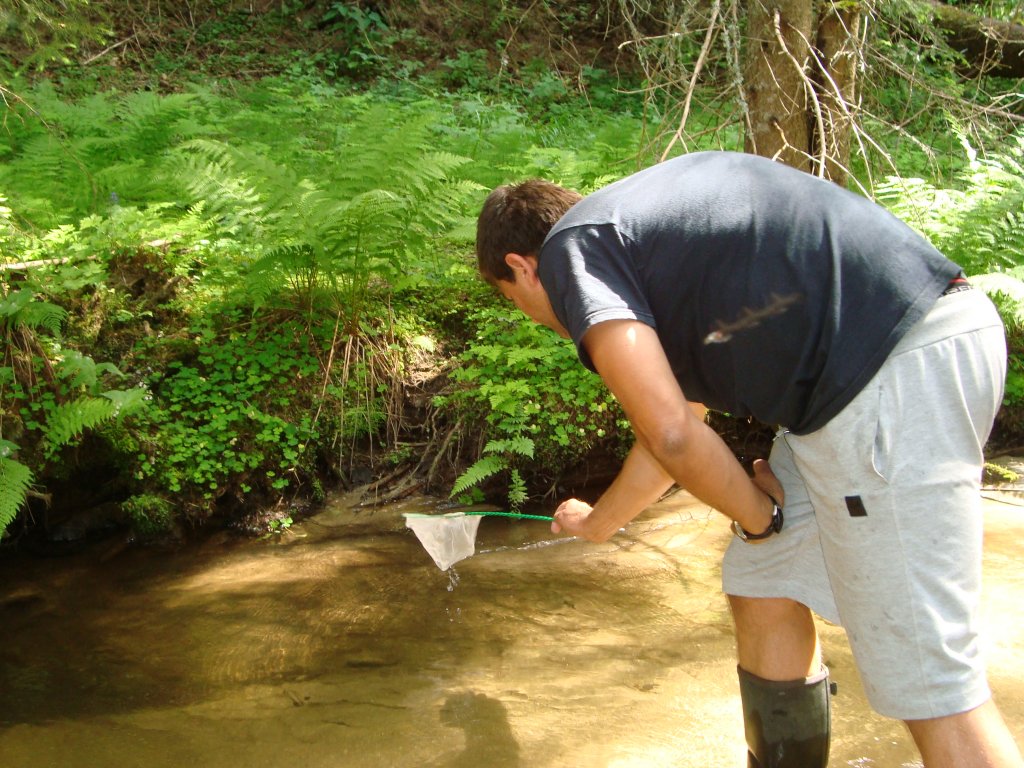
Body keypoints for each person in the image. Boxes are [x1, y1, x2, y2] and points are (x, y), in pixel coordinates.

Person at [474, 151, 1024, 768]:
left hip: (889, 374)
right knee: (764, 579)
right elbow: (673, 430)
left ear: (522, 266)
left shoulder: (572, 251)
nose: (532, 315)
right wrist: (600, 524)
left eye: (510, 298)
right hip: (880, 373)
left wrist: (760, 516)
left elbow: (674, 435)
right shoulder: (639, 240)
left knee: (931, 681)